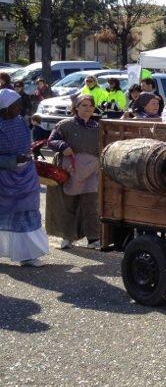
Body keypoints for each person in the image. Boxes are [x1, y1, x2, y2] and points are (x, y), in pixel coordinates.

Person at [0, 89, 49, 266]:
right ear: (5, 108)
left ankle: (27, 255)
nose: (20, 108)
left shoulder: (21, 121)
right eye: (16, 105)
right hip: (4, 181)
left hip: (26, 177)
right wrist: (13, 160)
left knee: (27, 215)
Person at [46, 94, 101, 250]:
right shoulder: (65, 125)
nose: (88, 108)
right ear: (76, 108)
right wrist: (63, 146)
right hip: (70, 170)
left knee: (91, 204)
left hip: (92, 171)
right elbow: (51, 141)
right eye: (84, 105)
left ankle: (93, 239)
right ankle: (67, 237)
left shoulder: (98, 127)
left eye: (91, 105)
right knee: (68, 204)